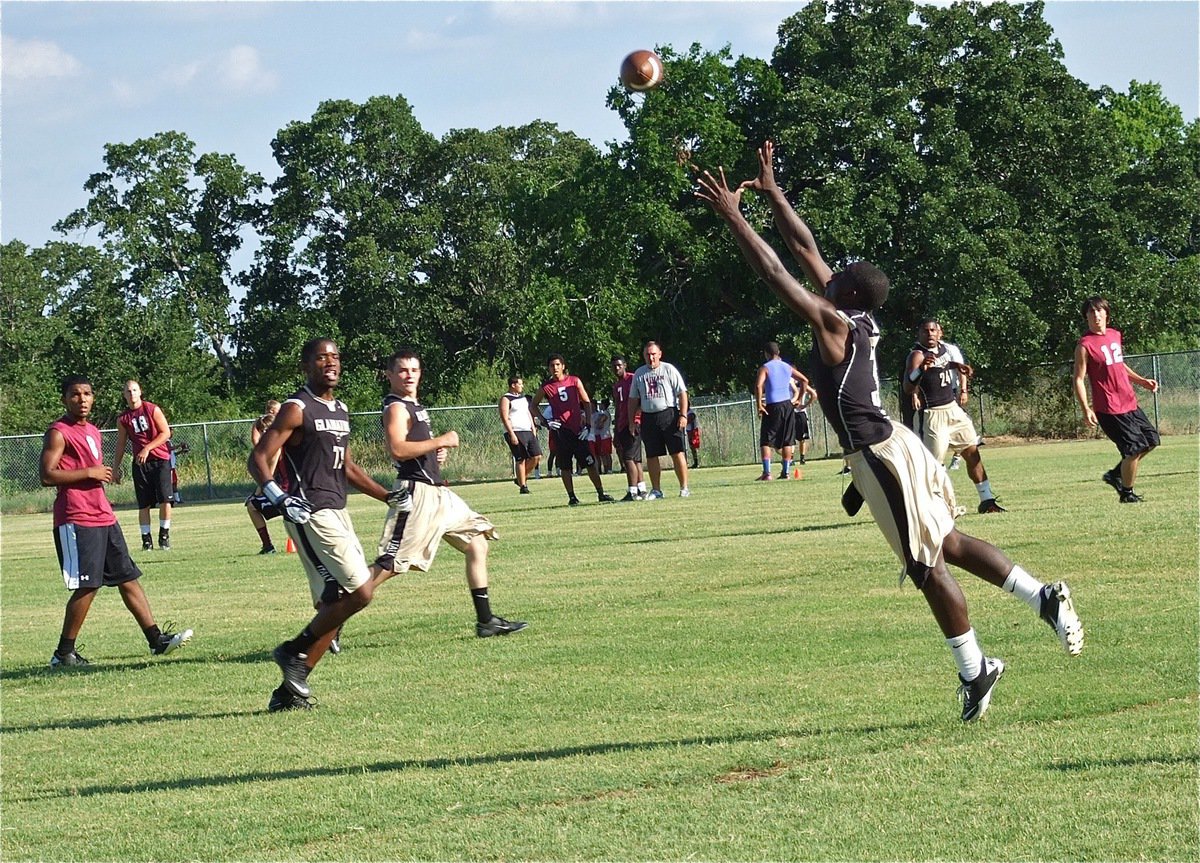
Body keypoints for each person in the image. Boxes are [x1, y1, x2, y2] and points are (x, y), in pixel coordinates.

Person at [694, 142, 1083, 722]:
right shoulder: (857, 314)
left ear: (844, 292)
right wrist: (773, 193)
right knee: (946, 542)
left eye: (840, 273)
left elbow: (777, 271)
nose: (833, 268)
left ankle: (976, 670)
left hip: (879, 452)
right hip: (894, 441)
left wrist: (734, 216)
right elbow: (804, 248)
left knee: (925, 565)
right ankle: (1040, 597)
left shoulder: (832, 321)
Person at [249, 338, 408, 712]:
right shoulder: (295, 407)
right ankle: (292, 652)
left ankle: (287, 692)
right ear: (306, 365)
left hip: (338, 510)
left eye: (335, 356)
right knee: (362, 591)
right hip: (311, 512)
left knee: (335, 603)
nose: (331, 363)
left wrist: (385, 496)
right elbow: (258, 458)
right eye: (322, 357)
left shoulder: (340, 409)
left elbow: (348, 468)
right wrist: (278, 496)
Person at [371, 349, 528, 638]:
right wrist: (440, 440)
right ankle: (334, 618)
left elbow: (414, 447)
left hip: (438, 494)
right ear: (390, 375)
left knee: (477, 541)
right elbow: (396, 448)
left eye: (414, 370)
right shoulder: (396, 407)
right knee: (392, 564)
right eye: (402, 370)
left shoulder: (414, 405)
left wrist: (435, 452)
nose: (409, 375)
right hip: (415, 494)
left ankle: (486, 621)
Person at [42, 375, 193, 668]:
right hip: (77, 517)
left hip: (103, 515)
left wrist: (96, 475)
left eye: (87, 393)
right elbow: (47, 475)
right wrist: (90, 472)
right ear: (64, 399)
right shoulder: (58, 432)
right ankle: (63, 653)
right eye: (75, 394)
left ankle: (156, 640)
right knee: (88, 585)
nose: (82, 399)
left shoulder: (94, 431)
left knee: (127, 576)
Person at [904, 320, 1005, 513]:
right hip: (932, 415)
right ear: (919, 334)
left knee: (972, 452)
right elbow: (907, 386)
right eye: (925, 331)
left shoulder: (944, 350)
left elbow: (942, 364)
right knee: (933, 466)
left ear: (940, 333)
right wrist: (919, 371)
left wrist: (957, 366)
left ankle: (987, 500)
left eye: (933, 330)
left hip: (953, 409)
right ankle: (933, 508)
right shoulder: (917, 355)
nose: (930, 334)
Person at [1072, 296, 1160, 503]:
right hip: (1109, 407)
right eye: (1091, 312)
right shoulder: (1084, 345)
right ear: (1086, 317)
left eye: (1099, 311)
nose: (1096, 315)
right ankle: (1127, 494)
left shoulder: (1114, 335)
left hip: (1128, 401)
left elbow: (1119, 364)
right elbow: (1078, 379)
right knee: (1134, 448)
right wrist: (1086, 409)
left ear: (1107, 315)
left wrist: (1142, 381)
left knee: (1151, 440)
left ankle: (1115, 474)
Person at [528, 354, 615, 506]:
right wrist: (545, 422)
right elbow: (533, 405)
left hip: (577, 431)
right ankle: (572, 497)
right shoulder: (546, 387)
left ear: (563, 366)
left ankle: (601, 493)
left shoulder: (574, 381)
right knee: (565, 466)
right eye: (551, 365)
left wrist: (588, 425)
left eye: (557, 364)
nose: (554, 368)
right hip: (560, 433)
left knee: (590, 462)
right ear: (548, 368)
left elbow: (586, 402)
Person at [112, 380, 174, 551]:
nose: (131, 394)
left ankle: (164, 535)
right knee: (143, 504)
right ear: (124, 395)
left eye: (134, 390)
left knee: (165, 500)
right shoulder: (124, 418)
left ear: (140, 392)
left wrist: (147, 448)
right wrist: (115, 468)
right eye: (128, 391)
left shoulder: (151, 409)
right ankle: (146, 540)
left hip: (160, 460)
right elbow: (121, 444)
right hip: (141, 464)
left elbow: (166, 432)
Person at [628, 340, 691, 498]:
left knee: (677, 452)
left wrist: (683, 415)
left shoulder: (668, 369)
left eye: (654, 354)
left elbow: (682, 393)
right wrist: (632, 421)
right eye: (648, 355)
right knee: (651, 455)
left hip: (668, 415)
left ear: (660, 354)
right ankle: (656, 490)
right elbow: (633, 400)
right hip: (648, 417)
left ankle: (684, 488)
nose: (651, 358)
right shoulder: (639, 373)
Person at [754, 342, 813, 480]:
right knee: (787, 439)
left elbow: (758, 385)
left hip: (772, 405)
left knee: (766, 440)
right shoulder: (786, 367)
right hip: (787, 406)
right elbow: (805, 380)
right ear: (778, 352)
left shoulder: (765, 368)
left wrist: (759, 405)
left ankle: (767, 473)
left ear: (766, 354)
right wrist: (798, 397)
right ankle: (785, 473)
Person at [245, 399, 285, 553]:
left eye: (264, 432)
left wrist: (258, 491)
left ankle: (268, 546)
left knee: (251, 506)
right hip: (291, 490)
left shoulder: (276, 449)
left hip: (286, 493)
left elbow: (269, 477)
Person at [611, 354, 647, 501]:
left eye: (619, 365)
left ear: (625, 365)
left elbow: (641, 399)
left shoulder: (633, 379)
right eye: (614, 366)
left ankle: (632, 491)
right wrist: (616, 429)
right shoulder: (616, 385)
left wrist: (636, 419)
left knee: (629, 458)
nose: (617, 368)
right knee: (635, 459)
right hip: (622, 424)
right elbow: (618, 407)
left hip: (633, 423)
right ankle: (642, 490)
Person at [498, 376, 541, 494]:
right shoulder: (506, 399)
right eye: (520, 384)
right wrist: (511, 434)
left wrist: (533, 428)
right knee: (521, 459)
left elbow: (527, 413)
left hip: (527, 430)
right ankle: (523, 486)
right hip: (515, 431)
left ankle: (520, 477)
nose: (522, 386)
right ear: (513, 385)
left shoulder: (523, 399)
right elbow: (504, 417)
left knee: (536, 456)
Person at [591, 399, 614, 475]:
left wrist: (597, 423)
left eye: (601, 404)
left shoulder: (605, 413)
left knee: (606, 454)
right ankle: (604, 469)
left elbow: (600, 424)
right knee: (602, 454)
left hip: (605, 436)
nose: (599, 406)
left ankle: (609, 469)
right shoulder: (601, 413)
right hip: (601, 436)